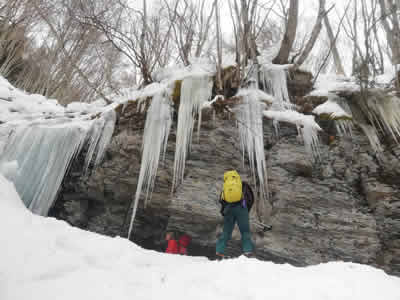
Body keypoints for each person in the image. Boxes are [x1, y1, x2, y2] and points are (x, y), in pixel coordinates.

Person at [216, 170, 255, 259]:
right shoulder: (243, 185)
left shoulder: (225, 187)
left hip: (229, 210)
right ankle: (247, 251)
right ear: (237, 177)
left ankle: (219, 251)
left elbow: (222, 200)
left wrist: (224, 212)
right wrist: (246, 211)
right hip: (241, 209)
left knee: (226, 232)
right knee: (245, 231)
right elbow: (251, 198)